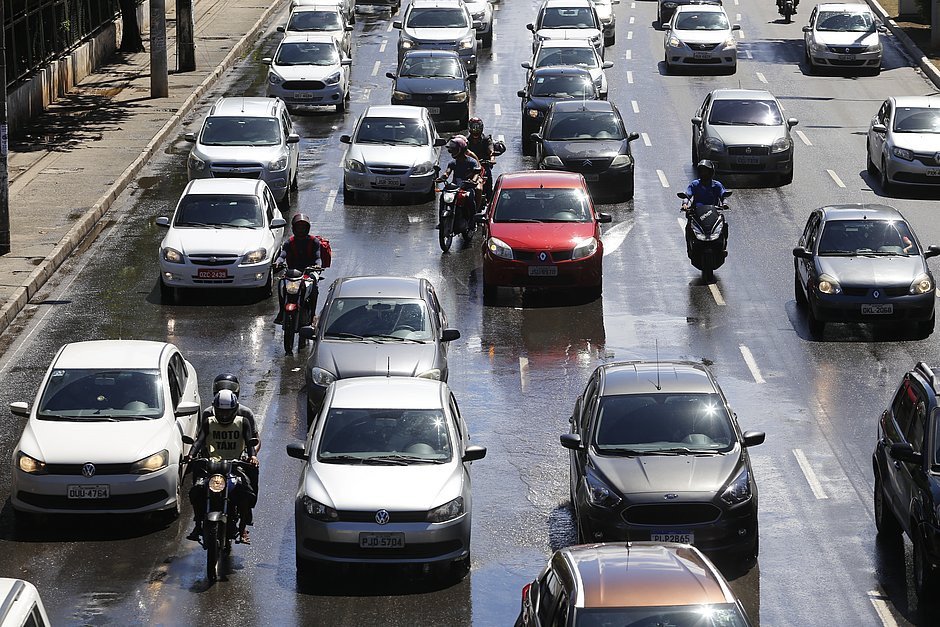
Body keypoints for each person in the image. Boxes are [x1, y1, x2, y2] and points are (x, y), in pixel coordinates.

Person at [186, 390, 259, 545]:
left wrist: (252, 456)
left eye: (228, 412)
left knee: (246, 492)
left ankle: (243, 528)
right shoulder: (208, 422)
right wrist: (191, 454)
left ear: (235, 409)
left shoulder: (243, 421)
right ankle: (198, 524)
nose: (224, 415)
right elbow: (199, 441)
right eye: (221, 412)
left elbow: (249, 441)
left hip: (235, 466)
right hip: (211, 466)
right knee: (196, 490)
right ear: (215, 409)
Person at [273, 213, 321, 325]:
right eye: (298, 227)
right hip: (292, 273)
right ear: (294, 228)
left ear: (307, 228)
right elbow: (282, 255)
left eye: (303, 227)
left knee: (314, 287)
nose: (300, 230)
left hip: (309, 271)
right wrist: (278, 262)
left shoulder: (314, 241)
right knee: (281, 284)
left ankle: (313, 314)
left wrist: (317, 266)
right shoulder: (289, 242)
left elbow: (318, 257)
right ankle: (281, 311)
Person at [436, 135, 482, 225]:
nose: (451, 151)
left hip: (467, 187)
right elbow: (447, 173)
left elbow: (476, 172)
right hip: (455, 188)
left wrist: (473, 180)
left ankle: (472, 220)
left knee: (470, 198)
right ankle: (441, 221)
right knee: (443, 197)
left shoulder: (472, 162)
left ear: (460, 150)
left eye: (454, 149)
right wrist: (441, 178)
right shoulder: (452, 163)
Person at [466, 117, 496, 203]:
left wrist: (492, 159)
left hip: (483, 166)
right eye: (473, 127)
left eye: (477, 127)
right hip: (470, 167)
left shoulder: (486, 140)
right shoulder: (466, 141)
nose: (475, 129)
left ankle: (489, 201)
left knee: (488, 176)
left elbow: (491, 151)